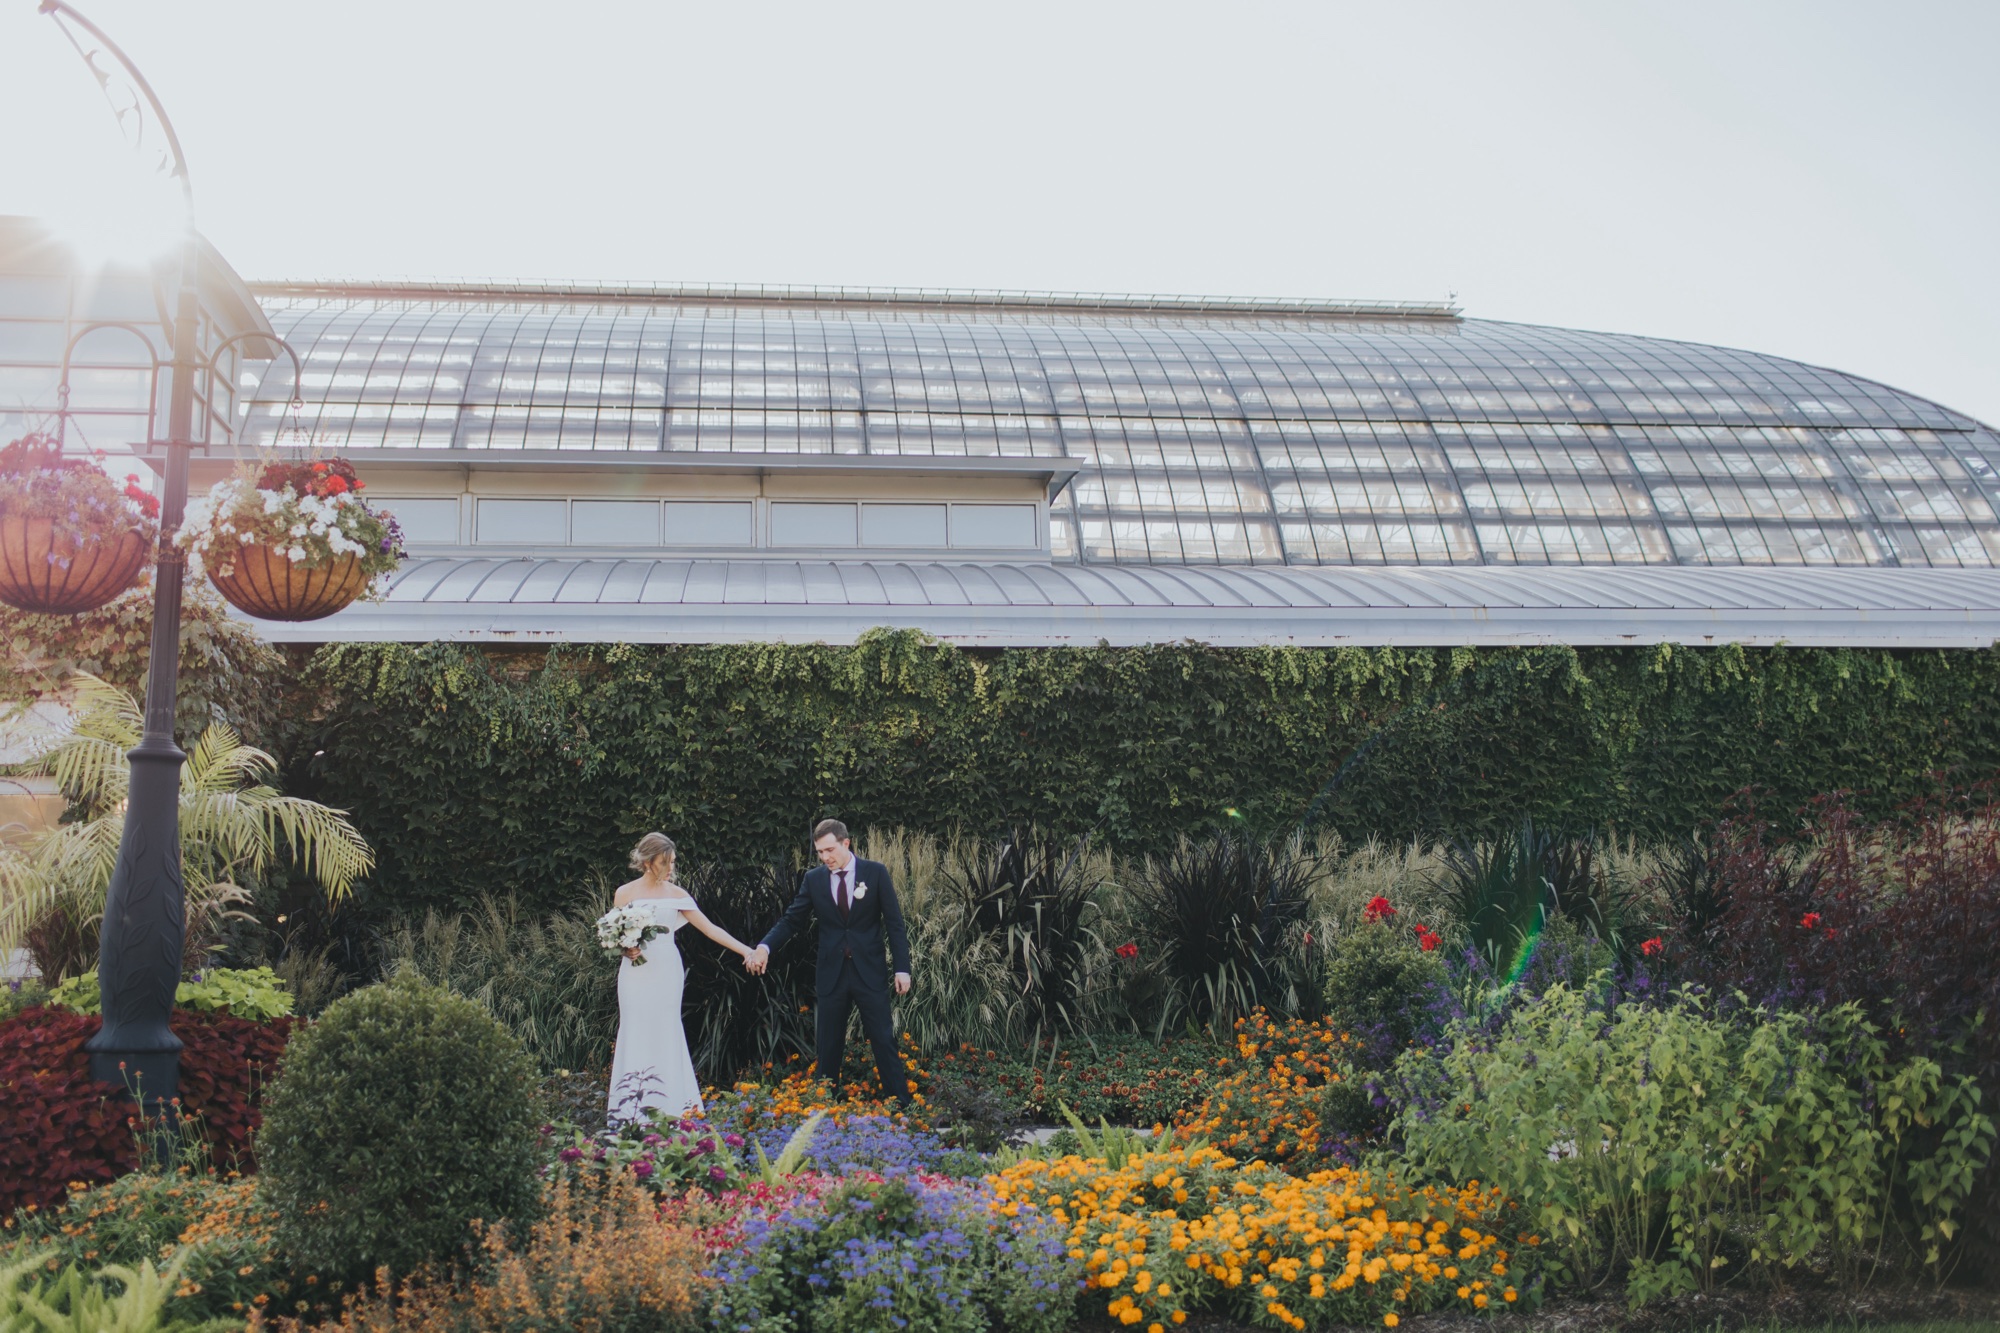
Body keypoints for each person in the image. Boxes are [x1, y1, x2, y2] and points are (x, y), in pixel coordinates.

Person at [745, 818, 912, 1104]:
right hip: (831, 973)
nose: (825, 858)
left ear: (846, 843)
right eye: (820, 852)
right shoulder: (814, 879)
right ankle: (825, 1106)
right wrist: (764, 947)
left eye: (830, 850)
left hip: (868, 971)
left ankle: (901, 1106)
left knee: (884, 1039)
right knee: (829, 1043)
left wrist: (902, 968)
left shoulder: (875, 873)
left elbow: (895, 924)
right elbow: (791, 920)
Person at [608, 831, 754, 1122]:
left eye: (673, 861)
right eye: (666, 862)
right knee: (634, 1030)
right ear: (648, 862)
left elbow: (711, 929)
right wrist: (626, 948)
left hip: (666, 972)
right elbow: (615, 934)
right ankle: (630, 1114)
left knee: (666, 1030)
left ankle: (674, 1108)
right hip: (635, 975)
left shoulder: (678, 895)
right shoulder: (624, 893)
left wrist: (746, 951)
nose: (671, 868)